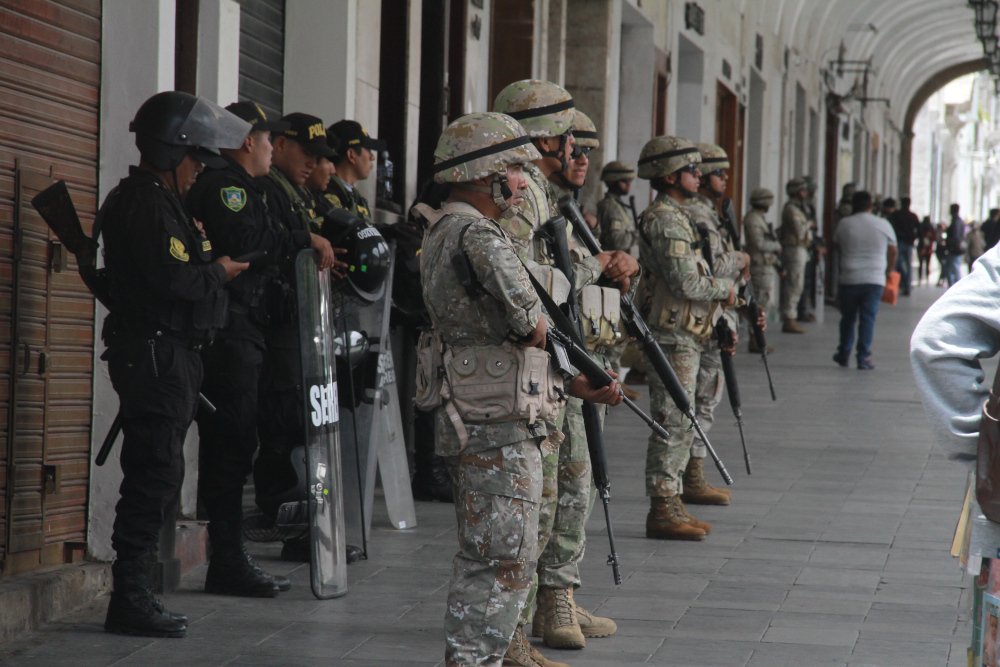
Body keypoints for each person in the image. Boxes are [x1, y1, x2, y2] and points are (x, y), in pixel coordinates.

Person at [421, 110, 621, 667]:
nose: (520, 181)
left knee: (487, 551)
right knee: (500, 557)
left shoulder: (441, 230)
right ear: (486, 173)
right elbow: (533, 322)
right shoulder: (480, 236)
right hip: (501, 418)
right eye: (512, 168)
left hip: (475, 408)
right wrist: (580, 376)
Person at [100, 91, 250, 637]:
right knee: (154, 471)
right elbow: (176, 278)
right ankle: (130, 597)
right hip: (156, 355)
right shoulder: (145, 204)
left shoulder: (161, 202)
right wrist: (221, 274)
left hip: (170, 355)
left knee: (161, 470)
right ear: (170, 153)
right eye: (193, 160)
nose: (197, 172)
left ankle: (133, 594)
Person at [495, 79, 635, 662]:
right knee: (544, 494)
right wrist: (594, 265)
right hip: (536, 363)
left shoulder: (548, 199)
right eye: (565, 137)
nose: (575, 150)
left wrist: (603, 266)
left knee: (573, 480)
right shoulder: (519, 198)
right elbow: (527, 282)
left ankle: (558, 593)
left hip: (564, 354)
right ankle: (526, 616)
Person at [186, 102, 335, 597]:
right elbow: (246, 240)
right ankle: (226, 561)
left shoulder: (247, 187)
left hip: (247, 331)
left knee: (237, 444)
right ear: (248, 141)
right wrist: (301, 238)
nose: (274, 149)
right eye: (269, 140)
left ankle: (229, 557)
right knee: (230, 447)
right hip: (229, 333)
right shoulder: (226, 187)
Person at [635, 135, 736, 542]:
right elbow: (684, 280)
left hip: (686, 332)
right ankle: (662, 506)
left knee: (681, 417)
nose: (700, 176)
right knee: (673, 419)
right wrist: (725, 291)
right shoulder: (664, 218)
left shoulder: (679, 215)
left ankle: (672, 499)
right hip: (671, 333)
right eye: (693, 170)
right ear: (671, 176)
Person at [252, 112, 340, 562]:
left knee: (300, 427)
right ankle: (283, 522)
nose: (313, 163)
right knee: (283, 428)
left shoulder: (296, 192)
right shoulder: (267, 190)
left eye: (319, 157)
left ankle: (303, 525)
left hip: (298, 326)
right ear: (280, 144)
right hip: (277, 330)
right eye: (306, 153)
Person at [677, 142, 751, 516]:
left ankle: (694, 473)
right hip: (696, 315)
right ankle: (682, 482)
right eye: (719, 173)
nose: (725, 179)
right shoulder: (695, 214)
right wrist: (741, 259)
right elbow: (713, 268)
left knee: (707, 397)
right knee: (691, 403)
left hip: (713, 314)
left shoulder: (713, 213)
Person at [831, 191, 897, 370]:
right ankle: (863, 357)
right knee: (868, 318)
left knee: (848, 318)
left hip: (849, 277)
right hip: (875, 279)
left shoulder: (844, 224)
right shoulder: (883, 224)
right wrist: (888, 271)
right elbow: (892, 250)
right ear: (871, 206)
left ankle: (843, 354)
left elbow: (836, 246)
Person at [743, 188, 782, 352]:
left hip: (765, 265)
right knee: (759, 303)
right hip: (759, 266)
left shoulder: (759, 218)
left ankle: (758, 338)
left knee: (762, 303)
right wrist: (777, 246)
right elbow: (758, 244)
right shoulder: (753, 219)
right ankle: (756, 340)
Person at [325, 119, 384, 220]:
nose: (372, 157)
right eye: (368, 150)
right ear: (351, 155)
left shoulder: (355, 196)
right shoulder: (327, 194)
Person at [780, 177, 812, 333]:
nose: (805, 193)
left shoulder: (800, 208)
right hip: (793, 249)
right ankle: (789, 317)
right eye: (803, 190)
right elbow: (799, 230)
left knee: (798, 284)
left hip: (800, 248)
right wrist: (809, 224)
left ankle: (792, 315)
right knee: (794, 284)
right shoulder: (791, 209)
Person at [597, 160, 638, 256]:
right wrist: (639, 235)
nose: (629, 184)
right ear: (613, 181)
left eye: (630, 181)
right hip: (612, 261)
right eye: (624, 181)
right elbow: (617, 242)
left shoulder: (617, 205)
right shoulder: (610, 206)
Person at [888, 197, 920, 296]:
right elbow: (919, 230)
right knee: (907, 265)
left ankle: (903, 284)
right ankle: (907, 285)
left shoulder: (896, 215)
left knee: (898, 264)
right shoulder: (913, 216)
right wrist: (915, 238)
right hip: (908, 243)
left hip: (900, 242)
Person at [944, 203, 966, 287]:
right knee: (954, 269)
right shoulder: (958, 221)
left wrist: (950, 247)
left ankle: (956, 288)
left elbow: (955, 237)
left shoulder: (956, 221)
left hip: (954, 250)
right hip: (956, 249)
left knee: (953, 270)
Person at [916, 215, 936, 286]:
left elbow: (917, 235)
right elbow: (934, 237)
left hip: (921, 247)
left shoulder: (921, 227)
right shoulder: (931, 227)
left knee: (921, 264)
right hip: (928, 248)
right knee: (927, 264)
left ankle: (920, 279)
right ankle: (927, 279)